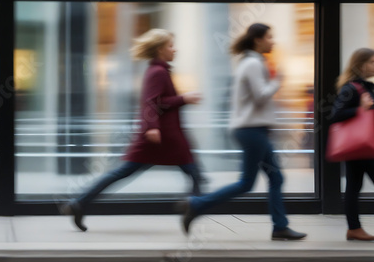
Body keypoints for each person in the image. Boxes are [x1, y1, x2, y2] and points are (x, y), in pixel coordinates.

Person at [61, 28, 206, 232]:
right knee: (193, 174)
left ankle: (80, 203)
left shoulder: (160, 70)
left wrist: (181, 101)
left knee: (192, 174)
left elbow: (158, 102)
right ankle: (193, 208)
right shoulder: (158, 72)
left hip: (167, 138)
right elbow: (151, 103)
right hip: (160, 137)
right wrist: (179, 103)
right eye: (170, 45)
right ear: (159, 49)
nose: (175, 49)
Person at [178, 23, 307, 241]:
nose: (272, 41)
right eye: (269, 37)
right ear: (258, 40)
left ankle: (280, 227)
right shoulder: (253, 64)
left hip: (253, 130)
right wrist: (278, 81)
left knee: (273, 178)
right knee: (250, 182)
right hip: (251, 130)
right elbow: (261, 95)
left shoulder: (252, 62)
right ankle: (197, 204)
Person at [330, 47, 374, 241]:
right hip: (361, 146)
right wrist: (360, 109)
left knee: (353, 186)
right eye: (372, 62)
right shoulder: (351, 88)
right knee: (353, 186)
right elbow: (335, 115)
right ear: (361, 64)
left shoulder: (368, 86)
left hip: (365, 145)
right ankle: (354, 228)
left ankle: (354, 229)